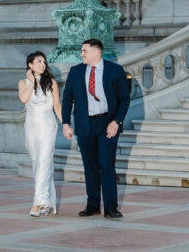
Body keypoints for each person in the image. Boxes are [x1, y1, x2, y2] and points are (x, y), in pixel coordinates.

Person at [61, 38, 130, 219]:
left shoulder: (115, 70)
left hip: (107, 124)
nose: (81, 54)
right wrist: (65, 123)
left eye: (84, 51)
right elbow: (67, 98)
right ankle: (92, 205)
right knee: (90, 167)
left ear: (96, 52)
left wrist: (117, 121)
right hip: (85, 124)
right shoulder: (75, 72)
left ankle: (111, 208)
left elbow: (124, 99)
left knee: (106, 166)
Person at [18, 51, 61, 216]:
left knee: (44, 161)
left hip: (48, 126)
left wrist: (65, 124)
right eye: (38, 62)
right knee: (38, 164)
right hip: (31, 127)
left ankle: (37, 203)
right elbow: (23, 99)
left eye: (44, 62)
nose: (42, 64)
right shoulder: (23, 83)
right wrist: (31, 82)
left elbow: (57, 105)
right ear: (30, 65)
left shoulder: (51, 82)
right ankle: (47, 201)